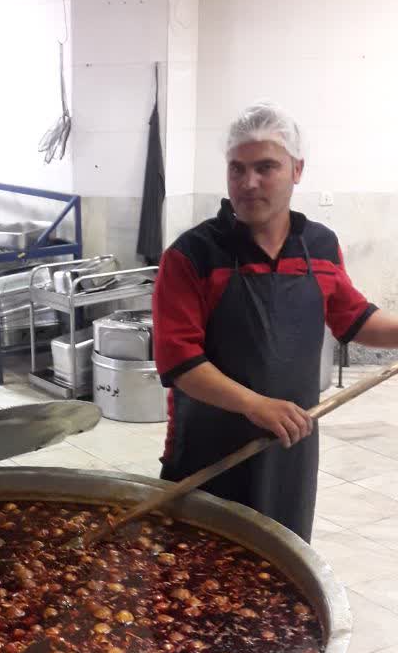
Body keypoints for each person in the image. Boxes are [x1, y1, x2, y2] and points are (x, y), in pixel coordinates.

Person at [152, 102, 398, 541]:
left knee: (282, 561)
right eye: (237, 168)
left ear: (297, 170)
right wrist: (255, 405)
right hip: (209, 453)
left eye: (265, 167)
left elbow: (355, 319)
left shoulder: (319, 246)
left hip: (290, 448)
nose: (249, 183)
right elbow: (179, 361)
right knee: (198, 570)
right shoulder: (192, 255)